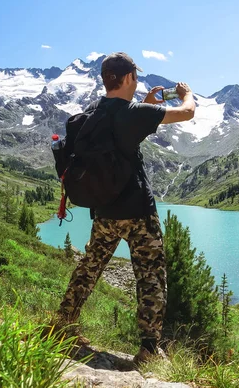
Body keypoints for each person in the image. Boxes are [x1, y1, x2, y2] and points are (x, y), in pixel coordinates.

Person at [52, 52, 196, 364]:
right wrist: (187, 94)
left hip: (104, 212)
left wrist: (146, 102)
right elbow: (186, 113)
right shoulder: (133, 113)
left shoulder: (93, 112)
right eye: (136, 76)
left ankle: (62, 325)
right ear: (129, 77)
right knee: (150, 275)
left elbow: (120, 134)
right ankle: (148, 348)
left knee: (89, 267)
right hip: (138, 214)